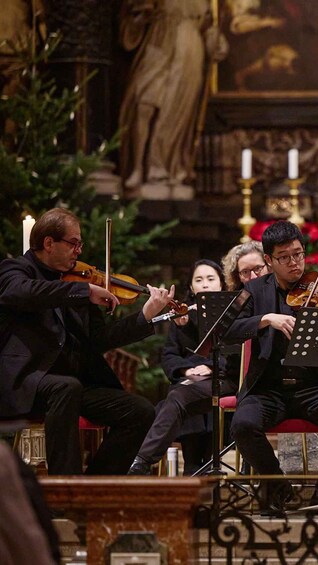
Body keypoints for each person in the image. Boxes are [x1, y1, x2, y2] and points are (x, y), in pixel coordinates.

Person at [0, 208, 174, 475]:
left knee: (140, 411)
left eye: (80, 244)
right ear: (48, 243)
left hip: (73, 386)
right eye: (74, 243)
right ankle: (67, 487)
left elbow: (99, 339)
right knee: (66, 388)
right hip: (28, 383)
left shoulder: (79, 280)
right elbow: (19, 292)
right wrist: (83, 291)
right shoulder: (16, 270)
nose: (79, 251)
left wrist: (145, 315)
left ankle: (95, 485)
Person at [226, 220, 318, 501]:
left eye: (298, 254)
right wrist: (266, 319)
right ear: (269, 260)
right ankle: (279, 488)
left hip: (313, 386)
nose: (294, 263)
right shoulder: (254, 291)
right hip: (268, 388)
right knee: (242, 425)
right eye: (285, 257)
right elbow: (227, 330)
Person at [128, 260, 239, 475]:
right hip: (191, 381)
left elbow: (237, 352)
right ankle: (191, 464)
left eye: (210, 279)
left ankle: (146, 460)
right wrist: (186, 371)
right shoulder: (183, 315)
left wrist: (210, 368)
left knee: (177, 398)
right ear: (191, 287)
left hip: (225, 377)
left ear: (222, 284)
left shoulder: (233, 312)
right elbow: (169, 355)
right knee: (182, 391)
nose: (205, 285)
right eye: (199, 280)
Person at [118, 0, 227, 192]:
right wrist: (139, 18)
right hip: (158, 45)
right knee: (143, 103)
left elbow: (208, 28)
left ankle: (161, 170)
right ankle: (136, 167)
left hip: (190, 50)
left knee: (176, 113)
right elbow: (131, 19)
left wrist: (215, 41)